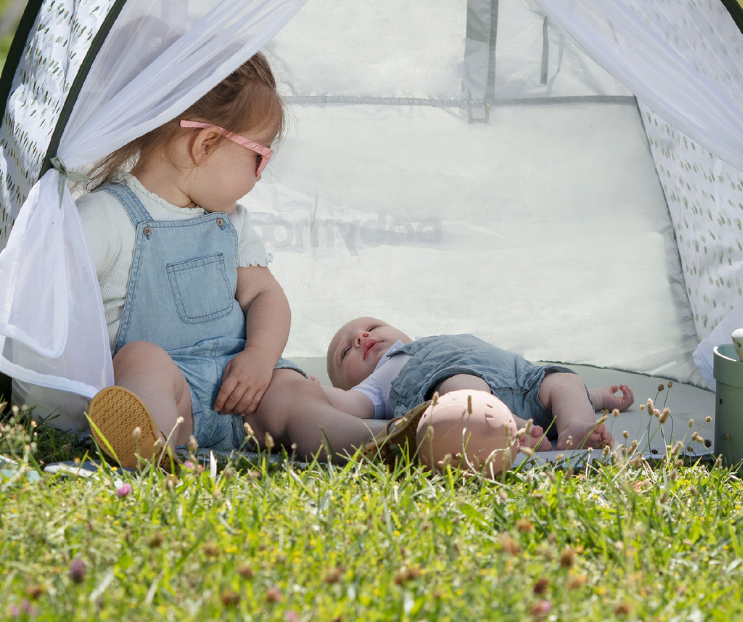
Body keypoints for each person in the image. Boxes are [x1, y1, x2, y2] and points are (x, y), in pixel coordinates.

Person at [81, 54, 384, 466]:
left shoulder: (232, 223)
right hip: (175, 394)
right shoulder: (107, 216)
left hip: (248, 391)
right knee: (139, 359)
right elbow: (50, 303)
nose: (260, 175)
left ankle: (380, 440)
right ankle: (158, 446)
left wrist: (259, 358)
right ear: (205, 143)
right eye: (259, 157)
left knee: (293, 397)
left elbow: (264, 294)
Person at [324, 318, 635, 450]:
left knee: (564, 380)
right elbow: (345, 405)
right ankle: (508, 429)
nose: (361, 337)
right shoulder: (376, 383)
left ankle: (575, 425)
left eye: (372, 327)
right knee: (461, 386)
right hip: (464, 388)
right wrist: (312, 388)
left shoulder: (426, 340)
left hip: (524, 379)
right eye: (345, 351)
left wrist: (593, 395)